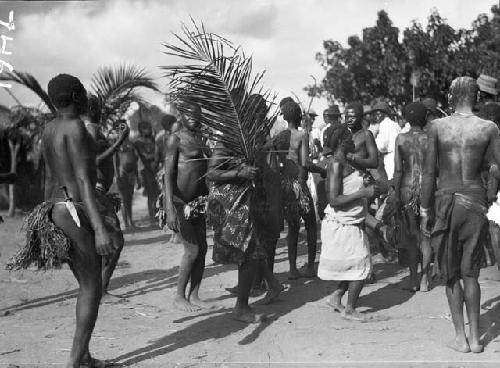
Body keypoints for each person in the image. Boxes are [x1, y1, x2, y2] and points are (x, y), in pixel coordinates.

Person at [7, 74, 116, 367]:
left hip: (56, 209)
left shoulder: (49, 129)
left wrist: (45, 216)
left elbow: (51, 178)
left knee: (85, 284)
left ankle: (84, 356)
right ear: (75, 95)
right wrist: (100, 228)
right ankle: (74, 361)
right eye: (81, 90)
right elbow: (82, 180)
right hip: (75, 210)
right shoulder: (75, 127)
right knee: (92, 286)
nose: (84, 94)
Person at [421, 76, 500, 353]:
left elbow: (429, 172)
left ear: (451, 97)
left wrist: (424, 210)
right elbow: (498, 167)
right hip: (476, 202)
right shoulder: (488, 128)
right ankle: (477, 338)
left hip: (445, 202)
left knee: (450, 273)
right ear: (477, 97)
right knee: (471, 274)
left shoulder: (437, 127)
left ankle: (460, 338)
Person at [207, 95, 283, 322]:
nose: (260, 117)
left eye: (263, 113)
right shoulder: (229, 139)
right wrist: (239, 173)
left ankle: (273, 283)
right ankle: (241, 307)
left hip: (251, 199)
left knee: (256, 247)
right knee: (248, 253)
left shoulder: (256, 137)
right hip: (233, 203)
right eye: (256, 112)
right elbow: (211, 173)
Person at [318, 125, 379, 321]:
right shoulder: (336, 164)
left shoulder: (348, 162)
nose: (354, 141)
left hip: (351, 222)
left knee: (354, 264)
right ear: (343, 142)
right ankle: (350, 309)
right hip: (340, 224)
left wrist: (366, 184)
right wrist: (362, 193)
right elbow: (334, 200)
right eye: (350, 139)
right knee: (362, 266)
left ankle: (336, 298)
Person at [162, 104, 212, 312]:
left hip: (198, 203)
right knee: (192, 250)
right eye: (190, 113)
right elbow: (167, 172)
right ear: (182, 115)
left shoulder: (202, 139)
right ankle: (179, 296)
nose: (194, 116)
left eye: (197, 112)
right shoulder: (176, 139)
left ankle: (194, 294)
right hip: (180, 202)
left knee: (203, 249)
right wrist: (169, 208)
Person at [273, 101, 325, 279]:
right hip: (299, 183)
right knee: (310, 224)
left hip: (284, 184)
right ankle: (310, 266)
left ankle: (293, 269)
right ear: (298, 116)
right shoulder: (302, 135)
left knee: (293, 227)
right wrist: (322, 170)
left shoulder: (279, 136)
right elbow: (305, 163)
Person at [86, 96, 130, 300]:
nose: (101, 111)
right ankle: (101, 290)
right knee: (115, 242)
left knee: (103, 244)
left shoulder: (91, 130)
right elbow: (92, 161)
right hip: (95, 192)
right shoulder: (91, 131)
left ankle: (98, 289)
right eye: (98, 108)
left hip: (97, 191)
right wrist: (119, 142)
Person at [393, 102, 431, 292]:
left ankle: (413, 279)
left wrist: (396, 194)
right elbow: (436, 169)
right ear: (425, 118)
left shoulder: (400, 139)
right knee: (425, 236)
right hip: (426, 189)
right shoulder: (430, 138)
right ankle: (425, 280)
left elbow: (398, 171)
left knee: (411, 237)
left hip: (407, 189)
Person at [134, 120, 160, 222]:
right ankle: (152, 216)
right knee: (150, 194)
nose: (148, 130)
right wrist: (157, 155)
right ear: (141, 130)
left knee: (158, 193)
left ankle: (158, 214)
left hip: (156, 169)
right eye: (146, 128)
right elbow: (145, 156)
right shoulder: (139, 142)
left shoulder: (153, 139)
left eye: (149, 128)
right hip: (146, 170)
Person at [372, 101, 400, 181]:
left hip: (390, 158)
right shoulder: (395, 124)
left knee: (391, 182)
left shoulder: (384, 124)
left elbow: (381, 146)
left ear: (384, 114)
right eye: (375, 115)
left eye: (378, 114)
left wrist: (374, 138)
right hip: (397, 157)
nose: (376, 117)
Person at [115, 135, 139, 229]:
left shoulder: (131, 146)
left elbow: (135, 162)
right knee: (123, 199)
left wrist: (137, 177)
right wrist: (117, 176)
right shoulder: (116, 146)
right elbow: (115, 163)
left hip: (131, 175)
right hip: (121, 175)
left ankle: (130, 221)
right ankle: (126, 223)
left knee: (129, 198)